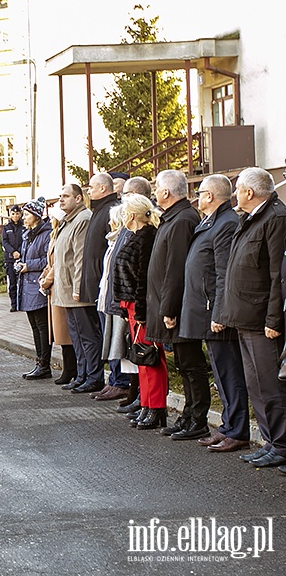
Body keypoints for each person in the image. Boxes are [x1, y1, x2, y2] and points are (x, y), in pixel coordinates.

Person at [220, 168, 286, 468]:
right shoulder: (250, 217)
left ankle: (282, 445)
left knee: (270, 387)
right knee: (256, 386)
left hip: (262, 319)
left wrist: (274, 319)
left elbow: (278, 276)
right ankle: (271, 442)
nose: (235, 194)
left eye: (238, 189)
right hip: (245, 316)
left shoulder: (275, 218)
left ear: (250, 192)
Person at [179, 175, 249, 452]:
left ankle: (238, 429)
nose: (197, 196)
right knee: (222, 375)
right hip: (204, 309)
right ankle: (228, 427)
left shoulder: (227, 223)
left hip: (215, 313)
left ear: (210, 196)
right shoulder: (213, 222)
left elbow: (223, 274)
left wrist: (219, 313)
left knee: (231, 374)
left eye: (200, 192)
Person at [145, 170, 210, 440]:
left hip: (180, 307)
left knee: (192, 364)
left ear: (167, 192)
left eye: (157, 187)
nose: (155, 191)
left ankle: (198, 419)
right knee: (184, 364)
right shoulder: (173, 217)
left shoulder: (182, 219)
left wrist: (169, 309)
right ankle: (188, 415)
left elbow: (176, 268)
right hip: (171, 305)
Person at [113, 193, 168, 430]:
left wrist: (142, 310)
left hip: (142, 306)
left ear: (133, 214)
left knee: (149, 357)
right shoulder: (134, 236)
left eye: (126, 212)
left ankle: (155, 408)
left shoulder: (146, 237)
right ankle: (146, 404)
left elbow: (145, 277)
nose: (123, 216)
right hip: (132, 306)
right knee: (141, 358)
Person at [53, 184, 104, 394]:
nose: (61, 199)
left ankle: (94, 376)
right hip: (66, 290)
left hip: (77, 292)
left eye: (66, 196)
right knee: (77, 336)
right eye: (60, 196)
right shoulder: (69, 221)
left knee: (87, 335)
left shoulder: (83, 219)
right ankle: (82, 374)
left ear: (78, 198)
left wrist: (79, 287)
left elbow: (81, 257)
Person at [81, 173, 125, 398]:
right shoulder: (99, 210)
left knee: (114, 335)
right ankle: (114, 378)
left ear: (102, 189)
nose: (88, 191)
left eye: (91, 188)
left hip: (108, 286)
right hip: (100, 285)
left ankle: (120, 381)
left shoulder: (110, 210)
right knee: (107, 335)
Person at [94, 205, 135, 401]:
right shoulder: (113, 241)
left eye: (113, 220)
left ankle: (121, 382)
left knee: (119, 341)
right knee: (110, 339)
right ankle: (115, 380)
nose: (109, 223)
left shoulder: (124, 239)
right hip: (107, 297)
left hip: (119, 300)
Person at [39, 204, 77, 386]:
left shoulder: (61, 233)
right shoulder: (54, 234)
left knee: (65, 333)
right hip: (54, 289)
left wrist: (46, 280)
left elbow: (60, 262)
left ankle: (70, 369)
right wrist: (44, 275)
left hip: (61, 287)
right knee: (61, 333)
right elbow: (51, 262)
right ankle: (68, 368)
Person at [16, 198, 52, 379]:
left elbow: (49, 260)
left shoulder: (45, 234)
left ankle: (44, 364)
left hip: (38, 286)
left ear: (37, 216)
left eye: (27, 214)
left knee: (42, 326)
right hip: (27, 285)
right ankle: (39, 362)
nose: (23, 218)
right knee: (34, 326)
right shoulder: (28, 234)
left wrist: (28, 265)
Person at [1, 204, 24, 312]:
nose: (15, 216)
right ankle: (14, 304)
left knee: (22, 282)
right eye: (13, 214)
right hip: (10, 258)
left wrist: (19, 252)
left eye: (17, 213)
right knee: (12, 283)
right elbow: (4, 242)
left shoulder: (24, 226)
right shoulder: (6, 228)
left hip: (22, 257)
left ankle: (22, 303)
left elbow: (25, 240)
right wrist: (13, 252)